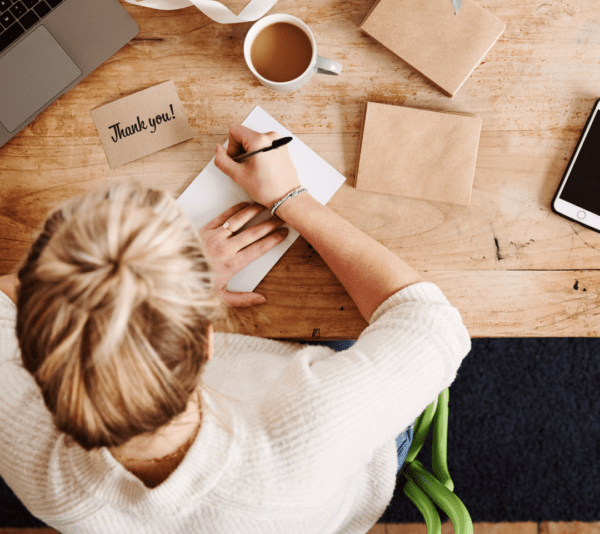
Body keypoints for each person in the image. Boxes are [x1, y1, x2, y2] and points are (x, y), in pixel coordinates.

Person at [0, 124, 471, 534]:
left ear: (34, 362)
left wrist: (154, 286)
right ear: (206, 341)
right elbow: (433, 322)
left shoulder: (36, 461)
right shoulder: (314, 423)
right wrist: (290, 197)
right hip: (342, 466)